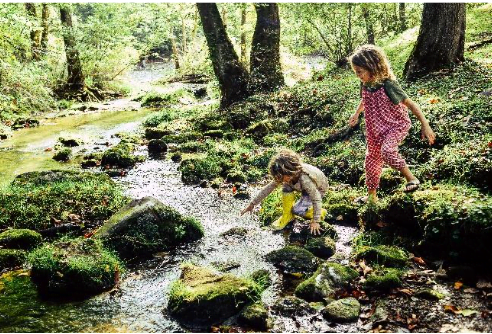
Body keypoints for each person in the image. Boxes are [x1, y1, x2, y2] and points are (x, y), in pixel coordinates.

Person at [348, 44, 436, 203]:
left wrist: (425, 124)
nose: (358, 75)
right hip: (374, 129)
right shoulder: (365, 84)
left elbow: (411, 104)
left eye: (360, 72)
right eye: (356, 72)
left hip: (395, 125)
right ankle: (372, 197)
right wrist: (356, 113)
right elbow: (364, 100)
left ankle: (411, 178)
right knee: (371, 160)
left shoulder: (389, 85)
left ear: (372, 67)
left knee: (387, 151)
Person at [241, 149, 328, 235]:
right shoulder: (286, 176)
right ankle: (287, 216)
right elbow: (268, 188)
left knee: (297, 210)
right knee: (286, 186)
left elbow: (316, 198)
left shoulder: (305, 179)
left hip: (318, 188)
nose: (280, 179)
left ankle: (320, 212)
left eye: (281, 177)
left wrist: (315, 221)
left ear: (290, 171)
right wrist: (252, 204)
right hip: (301, 187)